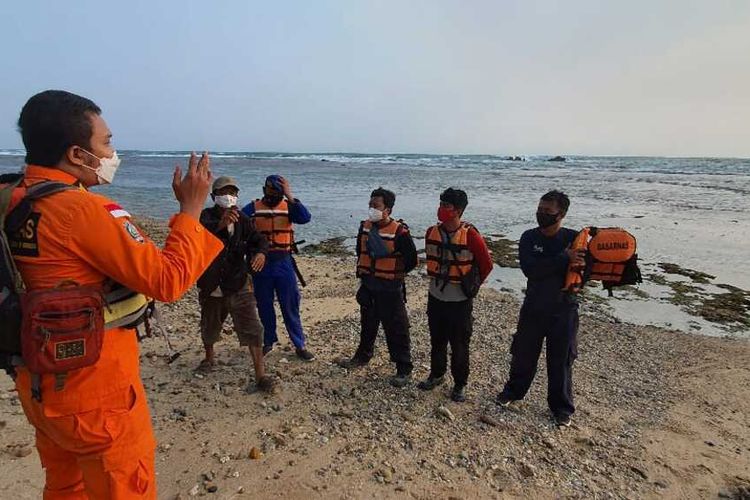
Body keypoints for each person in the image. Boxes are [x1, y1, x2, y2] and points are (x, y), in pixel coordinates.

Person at [7, 90, 222, 498]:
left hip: (38, 383)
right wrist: (191, 210)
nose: (111, 152)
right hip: (94, 394)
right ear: (76, 153)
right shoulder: (82, 210)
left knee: (66, 486)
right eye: (106, 142)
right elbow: (168, 280)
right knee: (124, 486)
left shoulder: (12, 199)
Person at [496, 190, 584, 427]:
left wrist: (581, 263)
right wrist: (563, 259)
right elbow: (531, 270)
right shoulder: (529, 238)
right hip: (534, 306)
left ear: (561, 214)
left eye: (548, 211)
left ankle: (561, 408)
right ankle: (513, 392)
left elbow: (585, 273)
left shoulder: (575, 239)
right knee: (523, 355)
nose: (541, 214)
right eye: (539, 209)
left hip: (564, 308)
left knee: (561, 360)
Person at [196, 176, 276, 393]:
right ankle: (209, 357)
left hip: (238, 281)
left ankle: (260, 374)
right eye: (224, 192)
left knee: (253, 327)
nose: (229, 197)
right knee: (210, 323)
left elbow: (259, 239)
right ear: (214, 197)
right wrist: (221, 226)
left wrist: (260, 253)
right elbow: (199, 239)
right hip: (212, 283)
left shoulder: (242, 219)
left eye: (232, 192)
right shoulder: (206, 217)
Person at [337, 187, 418, 387]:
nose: (371, 208)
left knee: (397, 328)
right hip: (368, 284)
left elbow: (411, 260)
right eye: (370, 205)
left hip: (390, 287)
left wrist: (394, 275)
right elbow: (359, 250)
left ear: (388, 209)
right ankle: (362, 356)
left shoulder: (400, 232)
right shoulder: (364, 227)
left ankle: (403, 368)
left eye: (376, 205)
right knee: (368, 323)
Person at [418, 188, 492, 402]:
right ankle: (437, 374)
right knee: (437, 340)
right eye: (440, 203)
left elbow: (486, 265)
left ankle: (460, 384)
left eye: (446, 205)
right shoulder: (432, 231)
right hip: (436, 295)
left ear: (458, 210)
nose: (441, 208)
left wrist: (472, 285)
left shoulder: (471, 236)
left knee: (460, 344)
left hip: (460, 300)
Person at [241, 175, 314, 360]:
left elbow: (305, 218)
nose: (273, 193)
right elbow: (239, 226)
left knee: (290, 305)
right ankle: (268, 341)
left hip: (284, 262)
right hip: (260, 264)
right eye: (270, 189)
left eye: (278, 190)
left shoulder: (289, 206)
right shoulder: (253, 208)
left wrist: (290, 196)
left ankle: (299, 344)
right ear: (264, 189)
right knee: (264, 304)